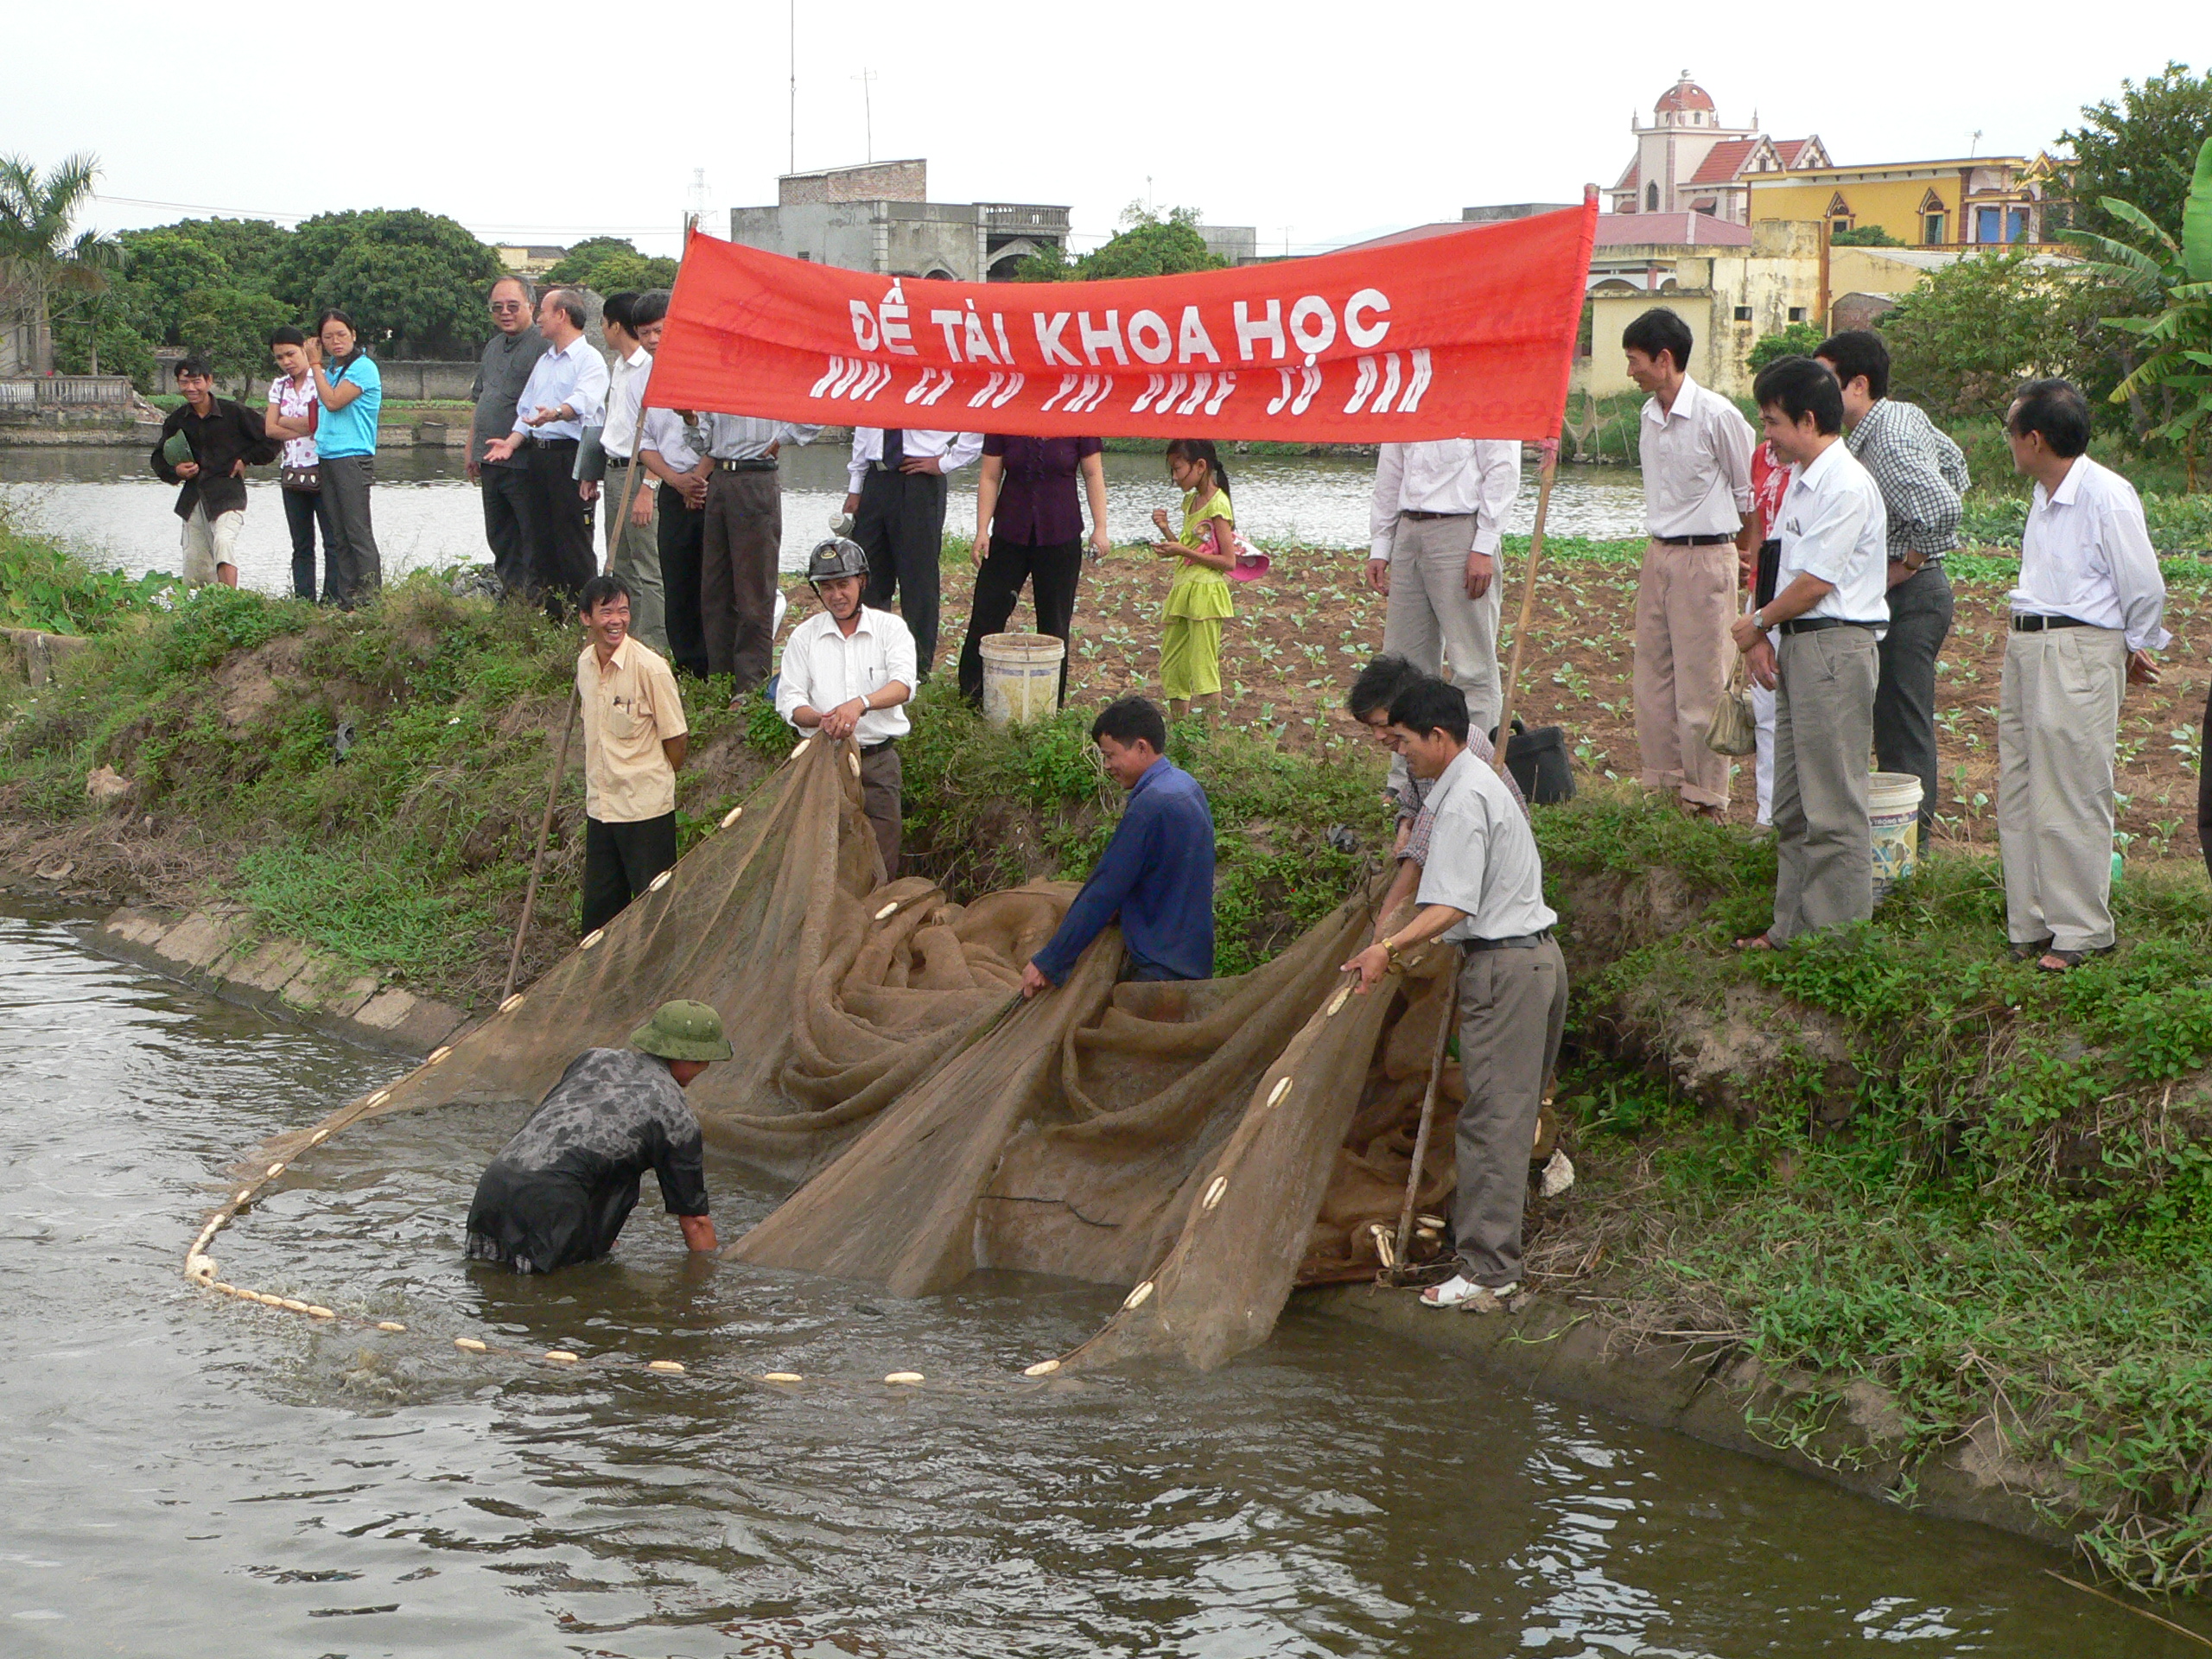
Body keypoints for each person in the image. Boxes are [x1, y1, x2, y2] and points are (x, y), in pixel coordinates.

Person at [1341, 677, 1565, 1316]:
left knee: (1492, 1121)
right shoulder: (1476, 781)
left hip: (1505, 970)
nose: (1400, 753)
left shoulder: (1463, 800)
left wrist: (1387, 948)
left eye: (1404, 742)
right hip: (1536, 960)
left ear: (1439, 736)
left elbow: (1450, 907)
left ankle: (1489, 1273)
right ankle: (1496, 1254)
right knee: (1508, 1114)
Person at [1998, 378, 2168, 973]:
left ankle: (2081, 929)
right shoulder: (2045, 495)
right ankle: (2030, 920)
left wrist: (2134, 644)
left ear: (2035, 439)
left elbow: (2144, 586)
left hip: (2077, 647)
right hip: (2028, 643)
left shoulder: (2106, 495)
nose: (2008, 441)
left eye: (2011, 430)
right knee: (2020, 783)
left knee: (2073, 785)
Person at [1729, 356, 1889, 950]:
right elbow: (1776, 563)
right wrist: (1763, 636)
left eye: (1772, 421)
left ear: (1808, 420)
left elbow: (1816, 581)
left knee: (1834, 804)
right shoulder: (1801, 479)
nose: (1765, 434)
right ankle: (1790, 929)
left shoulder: (1845, 485)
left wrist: (1757, 624)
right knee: (1793, 803)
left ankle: (1836, 944)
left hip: (1833, 647)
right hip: (1799, 643)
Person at [1815, 330, 1968, 840]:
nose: (1816, 391)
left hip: (1910, 594)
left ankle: (1911, 848)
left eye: (1826, 381)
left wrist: (1911, 560)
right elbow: (1955, 463)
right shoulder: (1899, 416)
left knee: (1902, 726)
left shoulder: (1887, 439)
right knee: (1894, 719)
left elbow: (1945, 505)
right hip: (1908, 591)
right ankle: (1899, 844)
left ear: (1858, 385)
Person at [464, 1000, 729, 1274]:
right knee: (543, 1295)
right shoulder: (675, 1115)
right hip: (552, 1200)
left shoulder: (593, 1059)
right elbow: (696, 1222)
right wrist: (711, 1279)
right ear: (690, 1058)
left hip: (496, 1182)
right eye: (704, 1061)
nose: (705, 1068)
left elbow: (572, 1135)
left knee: (487, 1280)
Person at [1623, 308, 1758, 819]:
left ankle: (1705, 798)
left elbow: (1749, 495)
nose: (1630, 371)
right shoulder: (1648, 415)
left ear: (1664, 359)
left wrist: (1744, 558)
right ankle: (1663, 789)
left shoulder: (1718, 415)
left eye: (1635, 360)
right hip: (1659, 554)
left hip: (1706, 555)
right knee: (1653, 679)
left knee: (1702, 683)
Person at [1020, 696, 1215, 994]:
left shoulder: (1151, 806)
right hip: (1193, 959)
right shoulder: (1186, 785)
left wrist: (1048, 962)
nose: (1107, 766)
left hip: (1157, 969)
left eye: (1110, 756)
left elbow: (1104, 890)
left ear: (1141, 747)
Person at [775, 537, 918, 876]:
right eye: (827, 587)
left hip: (878, 763)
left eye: (843, 585)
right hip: (825, 762)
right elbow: (790, 701)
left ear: (862, 582)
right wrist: (821, 719)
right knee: (827, 857)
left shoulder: (890, 629)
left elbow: (903, 685)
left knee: (882, 857)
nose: (836, 595)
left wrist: (860, 704)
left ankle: (877, 907)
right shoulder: (804, 637)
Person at [1365, 439, 1522, 735]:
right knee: (1403, 665)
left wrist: (1484, 545)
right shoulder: (1408, 408)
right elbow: (1390, 471)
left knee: (1472, 666)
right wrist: (1381, 543)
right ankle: (1409, 762)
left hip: (1460, 532)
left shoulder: (1485, 408)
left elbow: (1503, 468)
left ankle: (1478, 758)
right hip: (1408, 530)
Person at [957, 432, 1109, 707]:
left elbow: (1093, 474)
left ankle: (1050, 705)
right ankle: (971, 697)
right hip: (1009, 531)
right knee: (986, 614)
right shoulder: (1004, 420)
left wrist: (1100, 528)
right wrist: (982, 530)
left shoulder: (1078, 420)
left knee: (1055, 624)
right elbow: (990, 476)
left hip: (1061, 533)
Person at [575, 573, 689, 937]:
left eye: (623, 611)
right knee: (600, 913)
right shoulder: (585, 665)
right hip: (602, 808)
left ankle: (659, 971)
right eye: (606, 612)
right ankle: (606, 972)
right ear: (586, 618)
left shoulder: (650, 668)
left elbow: (677, 738)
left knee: (655, 913)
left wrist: (654, 779)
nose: (617, 621)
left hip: (645, 811)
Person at [483, 289, 607, 609]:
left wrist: (556, 413)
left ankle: (585, 615)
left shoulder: (589, 359)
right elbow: (527, 409)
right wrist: (511, 442)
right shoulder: (546, 360)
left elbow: (584, 401)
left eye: (543, 311)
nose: (538, 318)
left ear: (562, 315)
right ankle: (553, 616)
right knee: (542, 540)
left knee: (574, 540)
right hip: (539, 456)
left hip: (571, 456)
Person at [1347, 654, 1524, 854]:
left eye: (1382, 725)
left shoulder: (1460, 748)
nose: (1378, 736)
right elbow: (1412, 802)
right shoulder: (1419, 748)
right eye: (1371, 728)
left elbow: (1426, 839)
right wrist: (1405, 825)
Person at [842, 425, 982, 677]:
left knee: (918, 581)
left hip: (919, 478)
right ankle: (871, 664)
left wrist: (948, 462)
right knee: (868, 578)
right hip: (875, 478)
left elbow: (976, 425)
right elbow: (864, 422)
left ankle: (916, 671)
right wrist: (856, 485)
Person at [700, 411, 820, 695]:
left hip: (756, 476)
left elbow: (815, 413)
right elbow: (700, 440)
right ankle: (721, 683)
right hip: (720, 477)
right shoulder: (714, 384)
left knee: (754, 592)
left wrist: (781, 438)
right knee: (715, 590)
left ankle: (751, 687)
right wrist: (691, 421)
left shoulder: (771, 381)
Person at [149, 354, 276, 589]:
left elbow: (271, 439)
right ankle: (205, 607)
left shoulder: (235, 413)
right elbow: (158, 458)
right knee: (195, 564)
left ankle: (230, 600)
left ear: (209, 381)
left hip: (227, 492)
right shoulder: (177, 420)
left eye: (196, 381)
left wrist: (246, 459)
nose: (191, 388)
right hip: (193, 497)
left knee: (224, 543)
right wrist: (176, 470)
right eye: (185, 382)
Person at [593, 291, 670, 657]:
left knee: (647, 565)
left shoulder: (652, 369)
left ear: (615, 326)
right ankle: (625, 640)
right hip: (615, 471)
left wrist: (649, 487)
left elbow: (663, 436)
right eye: (646, 331)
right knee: (620, 563)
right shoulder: (619, 368)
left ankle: (654, 646)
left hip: (641, 472)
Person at [468, 276, 549, 594]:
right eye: (497, 307)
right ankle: (510, 597)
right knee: (499, 535)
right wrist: (471, 450)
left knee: (529, 535)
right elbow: (481, 399)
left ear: (531, 306)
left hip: (524, 461)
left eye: (512, 306)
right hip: (490, 460)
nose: (505, 313)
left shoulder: (543, 346)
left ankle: (532, 602)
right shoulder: (492, 347)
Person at [1148, 438, 1237, 722]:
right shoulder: (1190, 502)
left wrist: (1182, 550)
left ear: (1200, 466)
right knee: (1173, 664)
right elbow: (1190, 551)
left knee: (1203, 667)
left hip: (1206, 595)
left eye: (1178, 469)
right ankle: (1180, 731)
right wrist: (1166, 532)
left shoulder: (1218, 504)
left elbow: (1228, 561)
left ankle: (1210, 737)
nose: (1175, 478)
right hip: (1184, 590)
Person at [305, 308, 384, 607]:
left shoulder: (363, 368)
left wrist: (314, 364)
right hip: (328, 455)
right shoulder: (333, 371)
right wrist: (320, 368)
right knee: (338, 533)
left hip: (352, 457)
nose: (335, 342)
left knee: (357, 531)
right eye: (328, 337)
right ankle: (347, 599)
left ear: (353, 335)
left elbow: (333, 401)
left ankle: (369, 599)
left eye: (341, 334)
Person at [639, 404, 713, 678]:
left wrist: (697, 481)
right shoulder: (654, 394)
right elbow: (644, 444)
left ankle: (715, 664)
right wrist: (674, 481)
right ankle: (686, 664)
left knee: (713, 578)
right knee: (676, 578)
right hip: (672, 487)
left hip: (711, 483)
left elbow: (721, 438)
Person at [261, 327, 334, 602]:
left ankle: (332, 599)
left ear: (305, 349)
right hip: (292, 471)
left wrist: (285, 421)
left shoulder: (323, 380)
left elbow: (320, 425)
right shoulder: (279, 386)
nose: (286, 362)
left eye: (291, 354)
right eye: (280, 357)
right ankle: (304, 601)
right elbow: (270, 429)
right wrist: (304, 426)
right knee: (301, 544)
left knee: (332, 541)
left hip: (322, 467)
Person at [1743, 435, 1792, 828]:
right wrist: (1755, 598)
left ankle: (1795, 818)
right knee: (1766, 707)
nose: (1769, 430)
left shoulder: (1823, 464)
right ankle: (1768, 815)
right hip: (1764, 595)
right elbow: (1759, 526)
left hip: (1803, 597)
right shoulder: (1763, 455)